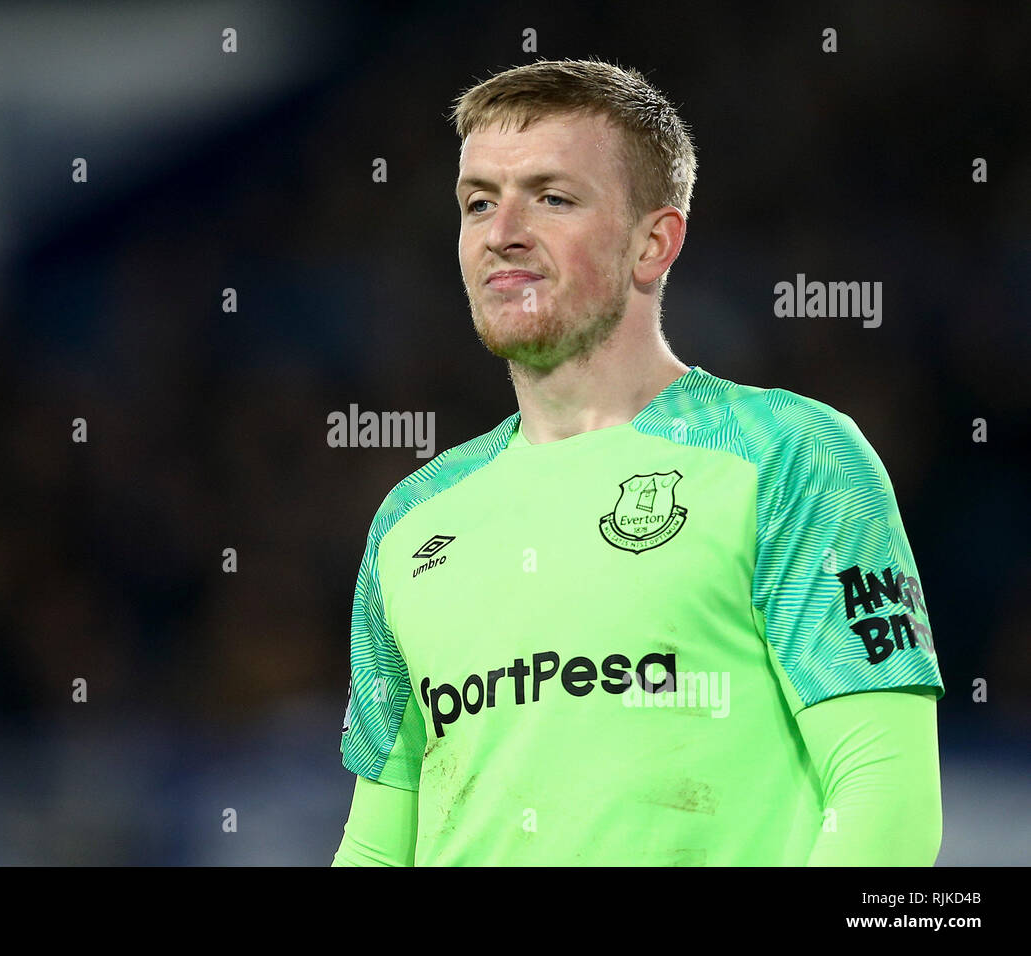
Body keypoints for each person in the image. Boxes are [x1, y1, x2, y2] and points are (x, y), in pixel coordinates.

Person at [332, 58, 943, 865]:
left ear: (653, 242)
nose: (500, 230)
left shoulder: (790, 456)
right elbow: (377, 848)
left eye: (551, 198)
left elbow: (884, 797)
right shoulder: (413, 519)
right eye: (478, 201)